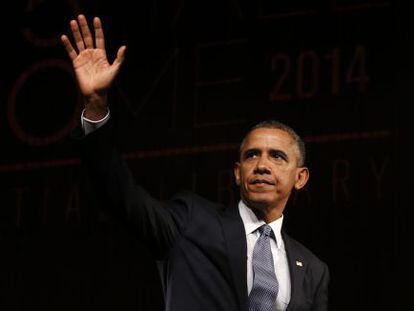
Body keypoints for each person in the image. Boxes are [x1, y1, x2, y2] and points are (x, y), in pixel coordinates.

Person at [62, 15, 329, 311]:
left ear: (300, 177)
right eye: (251, 155)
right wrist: (97, 108)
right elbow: (122, 196)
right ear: (238, 173)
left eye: (277, 156)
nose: (262, 165)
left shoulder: (313, 271)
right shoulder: (192, 221)